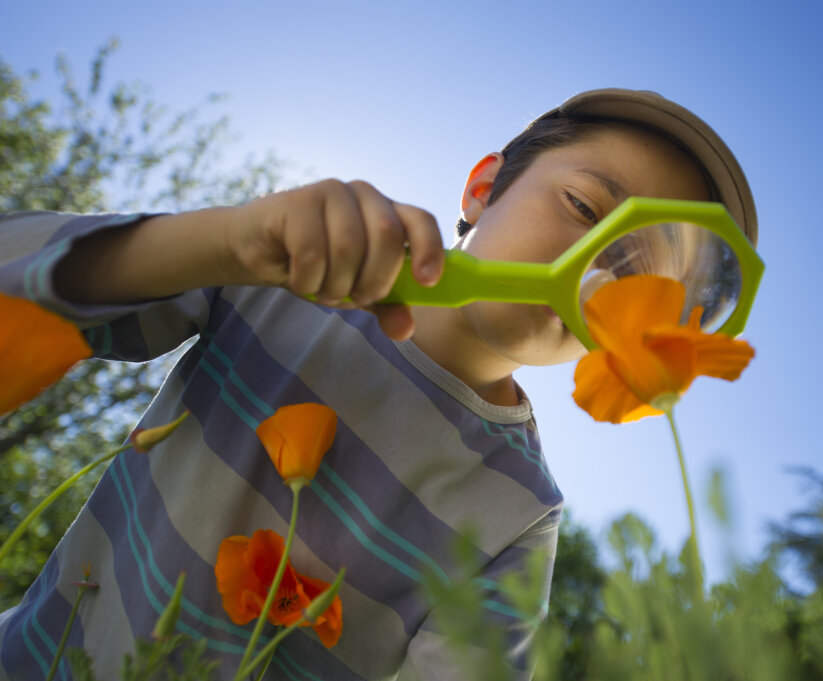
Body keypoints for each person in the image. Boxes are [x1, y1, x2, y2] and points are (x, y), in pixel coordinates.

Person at [0, 88, 758, 680]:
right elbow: (18, 273)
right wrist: (226, 243)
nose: (594, 263)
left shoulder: (520, 514)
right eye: (584, 206)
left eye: (633, 274)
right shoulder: (291, 279)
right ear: (483, 189)